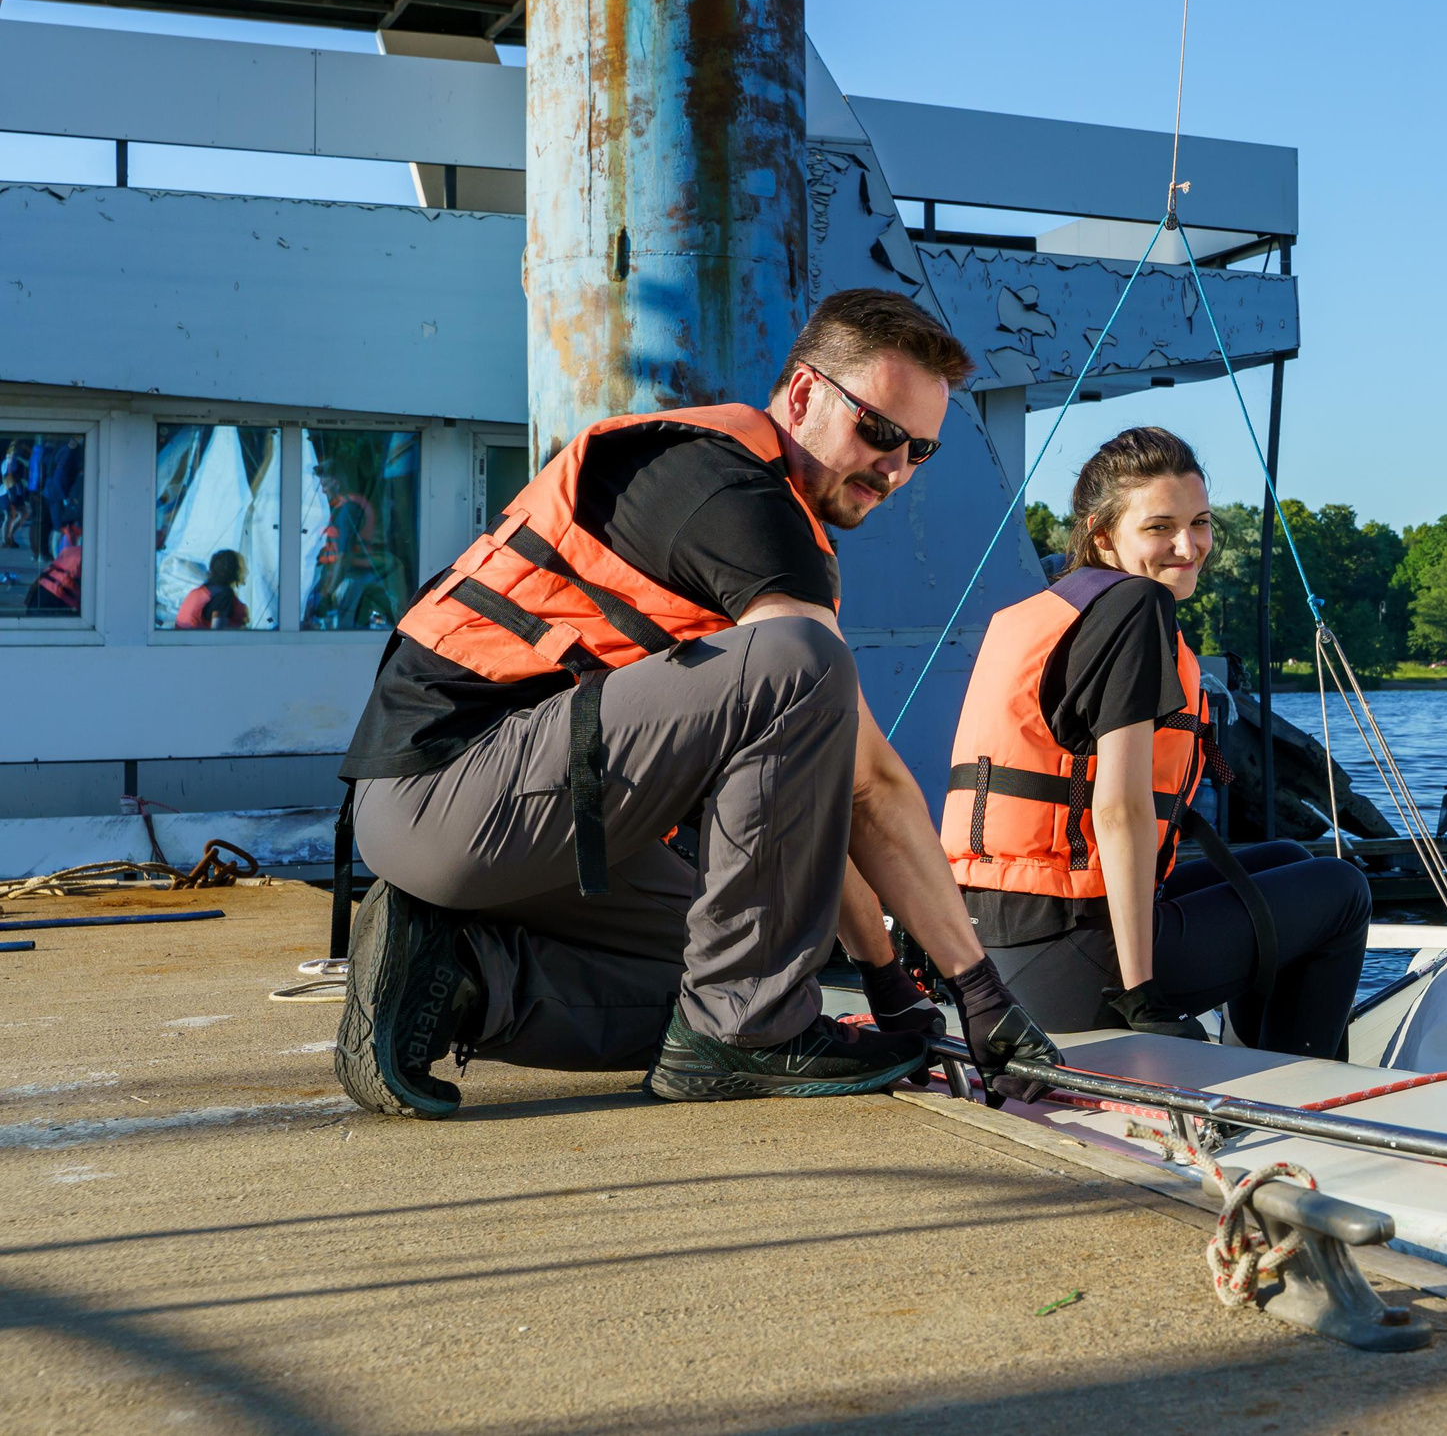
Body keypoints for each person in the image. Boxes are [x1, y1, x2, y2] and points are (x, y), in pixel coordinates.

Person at [333, 289, 1059, 1118]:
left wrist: (894, 987)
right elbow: (868, 784)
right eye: (880, 431)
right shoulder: (735, 498)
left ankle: (455, 978)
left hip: (492, 813)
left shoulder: (745, 506)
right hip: (450, 797)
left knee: (735, 960)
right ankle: (745, 1033)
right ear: (803, 394)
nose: (893, 467)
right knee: (808, 662)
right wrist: (979, 988)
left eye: (920, 450)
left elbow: (817, 799)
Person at [944, 427, 1373, 1057]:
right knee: (1341, 891)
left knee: (1288, 859)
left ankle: (1255, 1056)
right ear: (1101, 534)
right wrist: (1140, 995)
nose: (1188, 545)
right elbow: (1119, 810)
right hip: (1071, 959)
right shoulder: (1136, 607)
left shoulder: (1056, 608)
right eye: (1160, 527)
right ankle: (1288, 1092)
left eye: (1199, 522)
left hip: (1001, 939)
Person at [176, 549, 251, 630]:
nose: (246, 571)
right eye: (242, 567)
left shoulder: (207, 589)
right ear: (233, 570)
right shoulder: (224, 594)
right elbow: (218, 633)